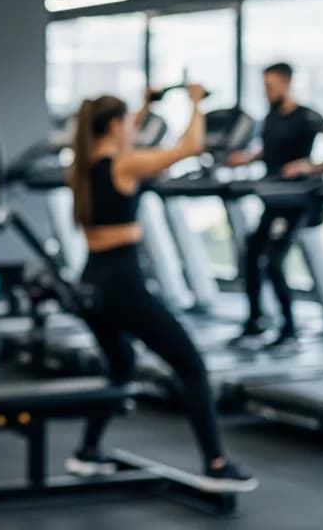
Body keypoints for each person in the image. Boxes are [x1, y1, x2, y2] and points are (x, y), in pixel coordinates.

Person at [65, 86, 257, 493]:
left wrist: (148, 106)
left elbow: (126, 131)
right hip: (122, 282)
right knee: (191, 367)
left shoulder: (81, 165)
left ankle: (85, 450)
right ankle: (217, 463)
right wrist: (197, 102)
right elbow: (191, 146)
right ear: (115, 126)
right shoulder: (125, 164)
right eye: (128, 123)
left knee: (120, 365)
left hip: (91, 280)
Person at [226, 62, 323, 350]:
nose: (267, 92)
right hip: (273, 197)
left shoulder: (308, 117)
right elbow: (271, 149)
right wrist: (250, 158)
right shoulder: (270, 117)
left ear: (287, 83)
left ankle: (289, 328)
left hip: (297, 200)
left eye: (271, 86)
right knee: (251, 253)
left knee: (274, 260)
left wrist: (313, 165)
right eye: (265, 86)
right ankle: (256, 320)